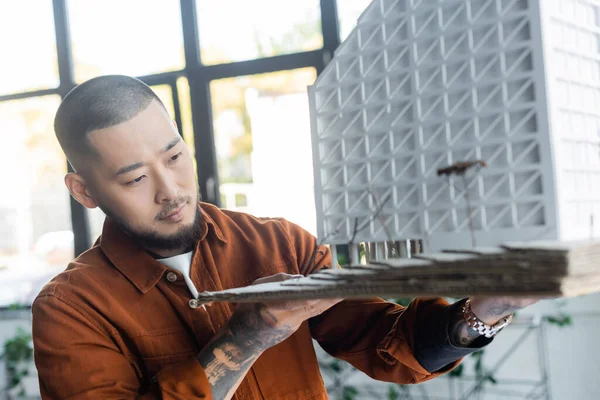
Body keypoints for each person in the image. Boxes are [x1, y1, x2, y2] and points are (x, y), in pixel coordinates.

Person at [32, 75, 539, 400]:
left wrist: (488, 307)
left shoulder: (279, 244)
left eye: (174, 156)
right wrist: (244, 339)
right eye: (135, 179)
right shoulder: (69, 308)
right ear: (84, 190)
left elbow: (391, 348)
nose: (171, 191)